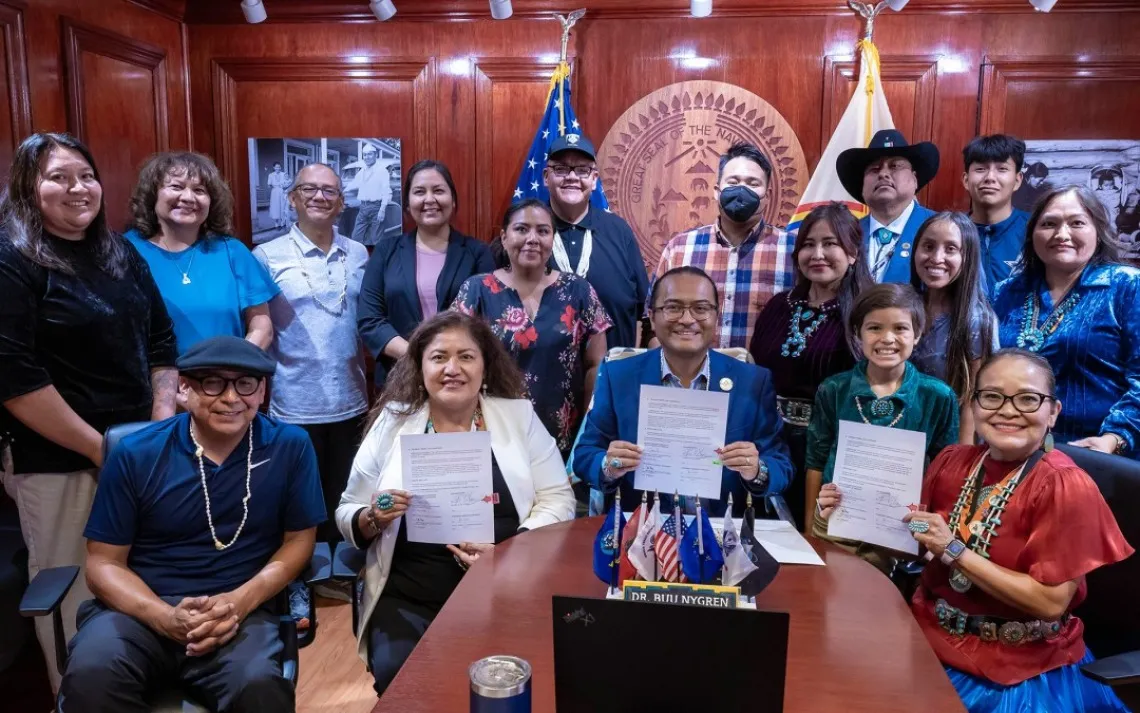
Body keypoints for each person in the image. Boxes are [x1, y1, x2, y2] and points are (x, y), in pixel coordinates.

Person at [60, 336, 326, 712]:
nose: (232, 398)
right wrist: (164, 617)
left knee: (259, 687)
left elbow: (300, 540)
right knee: (90, 677)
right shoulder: (136, 453)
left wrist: (239, 601)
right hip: (141, 608)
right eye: (213, 382)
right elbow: (103, 563)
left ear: (262, 390)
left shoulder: (289, 446)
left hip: (238, 609)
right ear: (184, 389)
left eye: (246, 383)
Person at [0, 132, 178, 689]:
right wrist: (102, 448)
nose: (77, 188)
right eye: (58, 177)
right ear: (28, 187)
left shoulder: (118, 251)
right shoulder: (11, 259)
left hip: (135, 451)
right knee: (76, 595)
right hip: (60, 461)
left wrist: (157, 427)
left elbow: (162, 342)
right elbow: (14, 377)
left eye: (85, 174)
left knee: (142, 585)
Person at [335, 311, 575, 695]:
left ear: (484, 365)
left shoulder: (518, 416)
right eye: (438, 357)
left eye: (466, 356)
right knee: (409, 686)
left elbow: (558, 497)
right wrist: (373, 516)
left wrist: (511, 550)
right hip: (410, 598)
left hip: (506, 592)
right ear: (419, 366)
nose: (452, 368)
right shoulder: (393, 422)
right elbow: (348, 509)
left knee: (512, 688)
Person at [899, 349, 1133, 713]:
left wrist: (953, 549)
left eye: (1027, 399)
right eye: (992, 396)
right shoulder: (951, 462)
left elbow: (1051, 603)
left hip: (1015, 668)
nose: (1007, 410)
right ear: (974, 405)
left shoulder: (1064, 485)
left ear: (1053, 412)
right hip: (926, 638)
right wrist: (842, 512)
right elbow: (919, 535)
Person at [574, 265, 793, 518]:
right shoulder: (618, 376)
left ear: (716, 317)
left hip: (723, 529)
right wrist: (608, 466)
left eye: (700, 308)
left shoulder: (753, 381)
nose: (687, 319)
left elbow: (782, 465)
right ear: (652, 317)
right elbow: (585, 454)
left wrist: (757, 470)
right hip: (644, 530)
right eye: (673, 307)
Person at [253, 163, 369, 603]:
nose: (320, 197)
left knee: (347, 490)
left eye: (330, 191)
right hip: (292, 399)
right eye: (310, 189)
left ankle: (346, 574)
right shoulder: (266, 255)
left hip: (352, 396)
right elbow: (258, 327)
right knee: (299, 498)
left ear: (341, 202)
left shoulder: (358, 253)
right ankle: (299, 580)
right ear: (293, 197)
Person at [804, 284, 959, 553]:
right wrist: (809, 529)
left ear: (917, 334)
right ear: (857, 334)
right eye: (874, 328)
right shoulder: (834, 389)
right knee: (832, 590)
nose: (887, 338)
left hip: (904, 531)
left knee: (892, 592)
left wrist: (923, 537)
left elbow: (944, 474)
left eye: (900, 328)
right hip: (836, 525)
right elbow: (815, 462)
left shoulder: (937, 396)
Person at [453, 199, 610, 459]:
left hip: (562, 439)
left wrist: (588, 429)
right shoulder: (477, 290)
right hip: (494, 435)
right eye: (522, 229)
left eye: (543, 231)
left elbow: (597, 364)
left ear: (553, 239)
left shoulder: (578, 290)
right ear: (504, 237)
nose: (532, 238)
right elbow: (454, 357)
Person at [749, 203, 873, 528]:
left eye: (830, 243)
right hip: (770, 445)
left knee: (817, 544)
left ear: (853, 253)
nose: (817, 253)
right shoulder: (778, 305)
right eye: (808, 244)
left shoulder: (865, 314)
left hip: (830, 451)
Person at [994, 185, 1140, 457]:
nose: (1061, 234)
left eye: (1077, 223)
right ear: (1032, 233)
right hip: (1017, 449)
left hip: (1099, 454)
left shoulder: (1126, 286)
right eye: (1049, 223)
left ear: (1098, 230)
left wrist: (1115, 437)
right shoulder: (1005, 291)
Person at [125, 151, 279, 354]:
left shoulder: (232, 251)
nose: (188, 197)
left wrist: (233, 368)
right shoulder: (125, 251)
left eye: (199, 190)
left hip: (224, 381)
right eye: (176, 187)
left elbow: (262, 326)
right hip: (149, 382)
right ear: (153, 194)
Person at [358, 160, 494, 387]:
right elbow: (370, 320)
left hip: (460, 380)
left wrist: (444, 361)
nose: (429, 199)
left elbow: (487, 322)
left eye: (438, 190)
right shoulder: (386, 251)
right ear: (407, 204)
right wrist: (418, 355)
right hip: (399, 378)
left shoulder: (478, 253)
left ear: (453, 200)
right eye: (419, 192)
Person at [649, 142, 795, 349]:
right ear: (717, 191)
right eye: (733, 182)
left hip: (764, 378)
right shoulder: (679, 249)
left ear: (767, 196)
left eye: (753, 183)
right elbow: (654, 323)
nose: (742, 190)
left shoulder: (793, 251)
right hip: (692, 378)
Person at [542, 133, 649, 348]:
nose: (572, 177)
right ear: (546, 177)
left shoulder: (619, 231)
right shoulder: (528, 234)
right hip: (545, 377)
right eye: (561, 169)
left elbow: (644, 312)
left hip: (612, 375)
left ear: (594, 180)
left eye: (582, 170)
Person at [909, 212, 998, 444]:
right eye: (928, 246)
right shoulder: (905, 305)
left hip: (948, 438)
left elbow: (973, 398)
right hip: (901, 431)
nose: (936, 258)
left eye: (950, 249)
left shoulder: (976, 319)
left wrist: (960, 461)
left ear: (967, 257)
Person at [836, 129, 940, 283]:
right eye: (875, 169)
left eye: (895, 166)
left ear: (915, 179)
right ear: (863, 187)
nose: (883, 174)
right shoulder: (848, 234)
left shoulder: (941, 228)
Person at [962, 134, 1031, 292]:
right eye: (980, 169)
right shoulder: (951, 231)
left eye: (1002, 169)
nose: (990, 177)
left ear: (1018, 180)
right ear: (966, 180)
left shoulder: (1034, 231)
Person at [344, 144, 395, 246]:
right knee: (356, 237)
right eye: (365, 155)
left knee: (375, 239)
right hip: (363, 207)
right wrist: (342, 191)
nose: (367, 157)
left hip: (376, 208)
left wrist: (382, 209)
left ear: (375, 155)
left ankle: (378, 260)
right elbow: (354, 183)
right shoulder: (362, 171)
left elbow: (386, 191)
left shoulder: (382, 171)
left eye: (369, 154)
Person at [267, 161, 290, 230]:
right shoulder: (271, 175)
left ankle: (282, 223)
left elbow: (288, 182)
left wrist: (285, 187)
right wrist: (272, 186)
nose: (278, 168)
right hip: (274, 192)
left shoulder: (283, 174)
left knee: (282, 207)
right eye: (276, 167)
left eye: (279, 167)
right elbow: (269, 184)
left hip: (282, 191)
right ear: (274, 167)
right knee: (275, 207)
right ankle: (276, 223)